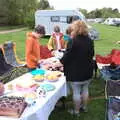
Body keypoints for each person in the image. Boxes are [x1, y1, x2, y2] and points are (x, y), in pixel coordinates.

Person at [60, 20, 94, 115]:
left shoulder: (73, 41)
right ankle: (85, 108)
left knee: (76, 92)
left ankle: (76, 111)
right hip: (87, 71)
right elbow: (92, 54)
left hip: (76, 72)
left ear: (75, 28)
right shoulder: (90, 40)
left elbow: (67, 56)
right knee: (85, 89)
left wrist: (59, 63)